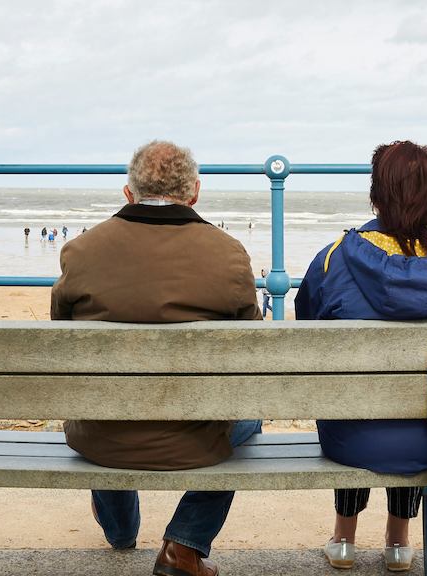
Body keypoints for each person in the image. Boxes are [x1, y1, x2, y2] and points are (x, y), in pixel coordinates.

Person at [52, 140, 262, 576]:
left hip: (101, 435)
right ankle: (183, 545)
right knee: (251, 419)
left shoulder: (81, 251)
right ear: (195, 193)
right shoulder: (228, 255)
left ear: (128, 193)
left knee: (100, 405)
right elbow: (249, 351)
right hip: (198, 439)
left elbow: (63, 339)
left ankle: (121, 531)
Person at [294, 141, 427, 572]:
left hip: (352, 439)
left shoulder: (334, 260)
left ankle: (344, 538)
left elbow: (306, 329)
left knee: (352, 398)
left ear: (377, 194)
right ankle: (397, 542)